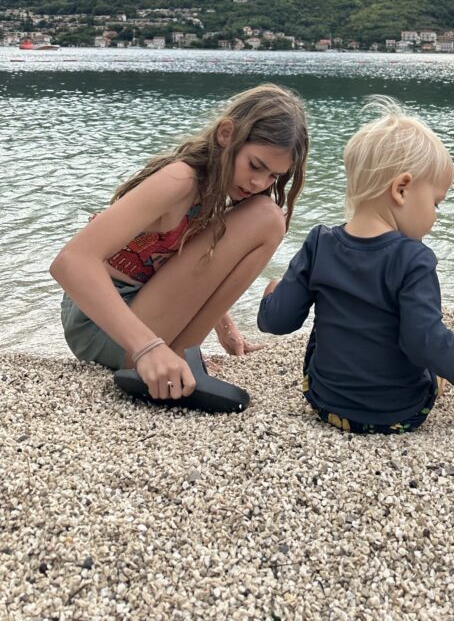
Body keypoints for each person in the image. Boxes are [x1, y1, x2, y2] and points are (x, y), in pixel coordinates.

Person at [257, 97, 454, 434]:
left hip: (325, 403)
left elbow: (277, 321)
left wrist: (272, 295)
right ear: (402, 189)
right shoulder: (414, 259)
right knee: (432, 352)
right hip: (401, 412)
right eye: (435, 203)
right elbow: (424, 340)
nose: (435, 217)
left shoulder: (319, 244)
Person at [51, 83, 309, 401]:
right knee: (267, 217)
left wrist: (226, 330)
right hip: (101, 324)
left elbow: (192, 261)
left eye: (273, 176)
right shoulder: (180, 180)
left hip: (136, 307)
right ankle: (169, 355)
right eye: (256, 165)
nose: (260, 183)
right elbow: (70, 261)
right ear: (227, 134)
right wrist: (148, 348)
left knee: (269, 216)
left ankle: (179, 354)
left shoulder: (216, 188)